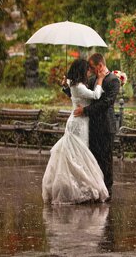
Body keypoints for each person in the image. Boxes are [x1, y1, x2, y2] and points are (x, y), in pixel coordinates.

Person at [42, 59, 109, 204]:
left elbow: (76, 93)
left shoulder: (75, 85)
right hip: (78, 124)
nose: (88, 71)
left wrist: (65, 84)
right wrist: (101, 79)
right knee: (77, 154)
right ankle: (77, 188)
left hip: (80, 121)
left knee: (78, 154)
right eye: (87, 69)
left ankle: (79, 186)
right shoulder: (78, 86)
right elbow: (96, 95)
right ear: (81, 70)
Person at [73, 53, 120, 197]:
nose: (91, 70)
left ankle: (107, 190)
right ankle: (96, 189)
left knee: (105, 159)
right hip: (93, 126)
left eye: (92, 67)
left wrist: (85, 111)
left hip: (106, 126)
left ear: (100, 65)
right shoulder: (93, 80)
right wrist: (66, 87)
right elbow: (82, 94)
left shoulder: (113, 80)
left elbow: (106, 103)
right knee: (93, 159)